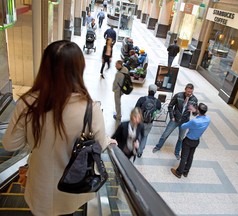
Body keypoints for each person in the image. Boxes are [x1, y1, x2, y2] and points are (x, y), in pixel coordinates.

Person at [2, 40, 113, 216]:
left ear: (45, 67)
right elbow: (98, 144)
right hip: (71, 190)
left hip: (39, 187)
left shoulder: (27, 103)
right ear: (79, 69)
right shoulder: (91, 108)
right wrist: (107, 139)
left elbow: (10, 144)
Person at [152, 83, 198, 159]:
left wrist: (194, 111)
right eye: (188, 92)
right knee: (165, 134)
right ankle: (158, 147)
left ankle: (177, 152)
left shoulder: (194, 100)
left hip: (184, 121)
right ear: (185, 89)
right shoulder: (178, 95)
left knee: (181, 138)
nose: (189, 93)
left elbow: (195, 113)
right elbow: (170, 106)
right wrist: (172, 116)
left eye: (191, 92)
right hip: (175, 119)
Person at [171, 103, 210, 178]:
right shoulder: (208, 119)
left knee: (184, 157)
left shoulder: (195, 121)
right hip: (196, 141)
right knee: (190, 156)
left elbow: (183, 126)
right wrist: (196, 111)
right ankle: (186, 172)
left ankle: (179, 172)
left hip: (188, 140)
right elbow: (200, 116)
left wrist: (194, 113)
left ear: (198, 110)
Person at [135, 84, 161, 158]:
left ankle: (136, 148)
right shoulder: (158, 102)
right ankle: (140, 151)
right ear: (155, 92)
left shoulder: (142, 99)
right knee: (145, 136)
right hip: (149, 123)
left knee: (138, 135)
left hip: (140, 122)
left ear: (148, 90)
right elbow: (157, 112)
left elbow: (136, 110)